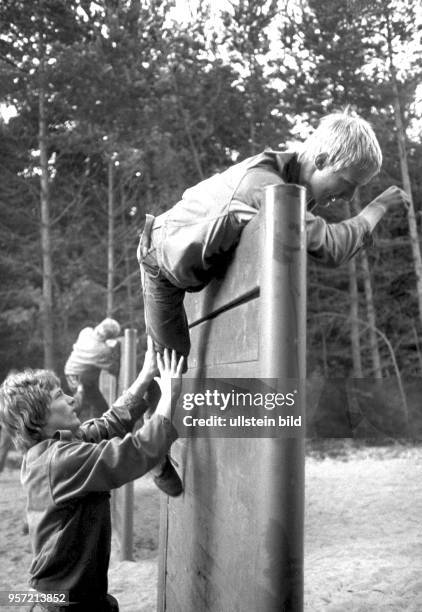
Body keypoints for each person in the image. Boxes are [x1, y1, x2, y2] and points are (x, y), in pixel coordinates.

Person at [137, 110, 409, 371]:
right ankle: (136, 417)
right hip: (161, 262)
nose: (349, 196)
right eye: (348, 182)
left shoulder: (292, 183)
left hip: (188, 265)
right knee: (169, 370)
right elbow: (330, 247)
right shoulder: (267, 187)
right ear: (323, 161)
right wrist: (377, 208)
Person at [0, 340, 184, 612]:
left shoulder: (52, 450)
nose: (72, 398)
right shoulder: (61, 462)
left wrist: (145, 375)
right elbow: (138, 452)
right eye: (59, 396)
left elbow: (109, 424)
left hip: (59, 596)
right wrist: (169, 395)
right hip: (64, 604)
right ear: (38, 419)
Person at [64, 318, 121, 421]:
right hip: (77, 377)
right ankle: (64, 427)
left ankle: (100, 429)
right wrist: (112, 347)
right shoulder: (102, 350)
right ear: (107, 337)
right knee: (77, 406)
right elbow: (113, 368)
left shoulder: (86, 331)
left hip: (78, 374)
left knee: (101, 407)